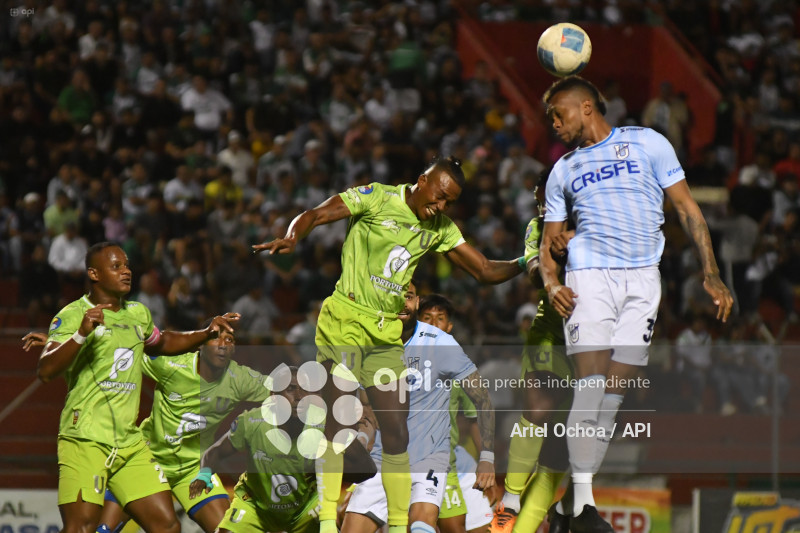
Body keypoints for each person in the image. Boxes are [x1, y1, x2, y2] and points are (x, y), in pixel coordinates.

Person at [252, 156, 524, 533]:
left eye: (449, 202)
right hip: (345, 320)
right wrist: (295, 234)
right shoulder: (376, 198)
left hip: (384, 334)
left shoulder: (440, 228)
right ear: (422, 180)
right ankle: (329, 522)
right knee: (340, 417)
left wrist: (529, 261)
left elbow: (484, 270)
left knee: (396, 431)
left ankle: (398, 525)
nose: (441, 206)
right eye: (439, 195)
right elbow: (317, 213)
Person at [538, 76, 733, 533]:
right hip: (589, 276)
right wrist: (551, 285)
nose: (553, 125)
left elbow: (686, 208)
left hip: (644, 280)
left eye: (558, 114)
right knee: (590, 384)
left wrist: (710, 270)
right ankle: (585, 507)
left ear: (586, 107)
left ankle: (569, 501)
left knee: (612, 394)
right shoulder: (562, 170)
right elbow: (548, 244)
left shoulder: (648, 143)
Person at [36, 241, 238, 533]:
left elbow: (163, 342)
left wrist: (206, 333)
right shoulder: (72, 314)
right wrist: (80, 334)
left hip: (128, 444)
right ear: (94, 273)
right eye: (116, 266)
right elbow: (45, 370)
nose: (126, 271)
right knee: (81, 527)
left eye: (127, 265)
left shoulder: (138, 314)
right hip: (85, 439)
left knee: (167, 526)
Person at [24, 320, 269, 533]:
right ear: (200, 343)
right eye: (216, 337)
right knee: (99, 530)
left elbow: (284, 388)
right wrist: (64, 344)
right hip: (144, 462)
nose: (224, 344)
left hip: (192, 470)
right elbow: (115, 353)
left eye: (230, 339)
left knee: (228, 529)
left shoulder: (241, 379)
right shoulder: (171, 364)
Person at [342, 284, 496, 533]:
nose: (403, 303)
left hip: (428, 457)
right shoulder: (370, 342)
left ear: (416, 302)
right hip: (383, 458)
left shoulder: (441, 343)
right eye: (397, 297)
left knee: (422, 526)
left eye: (409, 297)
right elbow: (366, 409)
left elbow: (483, 399)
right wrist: (360, 441)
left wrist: (487, 458)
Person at [189, 365, 377, 533]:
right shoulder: (252, 422)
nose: (299, 397)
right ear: (273, 395)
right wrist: (205, 475)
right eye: (291, 389)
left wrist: (339, 439)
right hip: (256, 505)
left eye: (306, 390)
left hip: (305, 507)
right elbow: (216, 452)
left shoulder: (322, 423)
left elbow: (367, 470)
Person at [490, 168, 574, 533]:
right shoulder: (538, 227)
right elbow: (531, 268)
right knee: (538, 408)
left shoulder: (597, 222)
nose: (542, 204)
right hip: (551, 330)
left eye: (548, 197)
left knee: (558, 451)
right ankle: (508, 502)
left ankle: (521, 528)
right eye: (540, 198)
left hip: (593, 339)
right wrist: (548, 261)